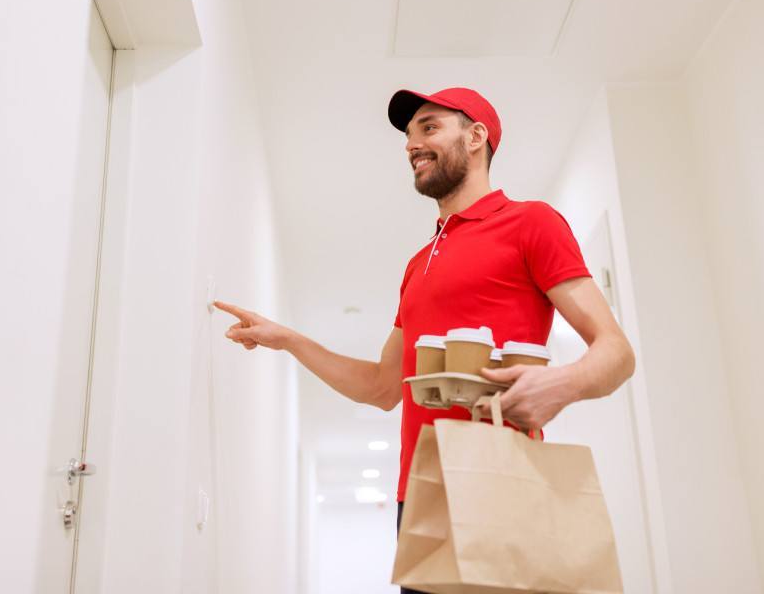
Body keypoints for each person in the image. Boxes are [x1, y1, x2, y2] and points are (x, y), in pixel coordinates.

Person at [214, 87, 635, 594]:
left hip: (495, 478)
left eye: (429, 127)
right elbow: (381, 387)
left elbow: (616, 352)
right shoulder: (419, 263)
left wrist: (561, 384)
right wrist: (287, 339)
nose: (412, 144)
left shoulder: (530, 223)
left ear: (476, 136)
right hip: (418, 497)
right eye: (409, 136)